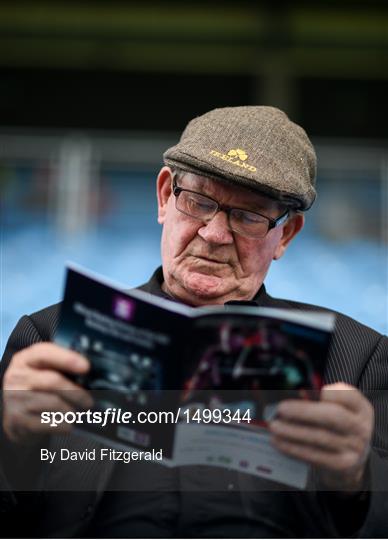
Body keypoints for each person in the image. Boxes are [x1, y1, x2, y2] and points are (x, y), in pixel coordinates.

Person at [1, 106, 387, 538]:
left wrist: (356, 477)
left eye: (249, 217)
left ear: (287, 235)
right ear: (165, 196)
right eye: (199, 202)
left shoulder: (355, 359)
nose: (215, 234)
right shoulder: (49, 339)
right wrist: (10, 439)